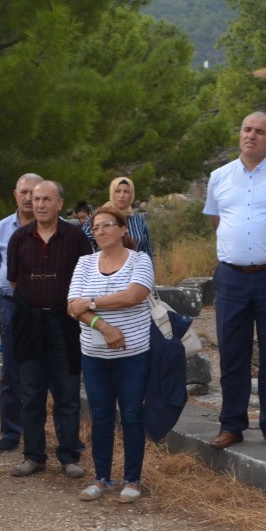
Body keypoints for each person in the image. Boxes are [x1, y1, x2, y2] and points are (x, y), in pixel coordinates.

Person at [204, 112, 266, 450]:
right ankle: (231, 424)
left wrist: (265, 245)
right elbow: (218, 221)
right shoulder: (219, 176)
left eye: (260, 132)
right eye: (246, 129)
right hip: (231, 276)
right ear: (240, 134)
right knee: (232, 351)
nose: (251, 136)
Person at [66, 205, 156, 503]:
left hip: (133, 355)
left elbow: (133, 295)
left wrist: (91, 301)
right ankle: (102, 478)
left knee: (131, 415)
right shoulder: (84, 263)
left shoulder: (139, 260)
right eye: (96, 227)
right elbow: (72, 307)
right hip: (94, 356)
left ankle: (132, 479)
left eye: (107, 225)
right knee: (101, 417)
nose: (101, 231)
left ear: (122, 230)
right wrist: (104, 327)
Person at [7, 179, 92, 478]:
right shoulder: (19, 237)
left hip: (66, 325)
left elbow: (87, 278)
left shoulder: (76, 237)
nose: (39, 204)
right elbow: (15, 280)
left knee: (67, 393)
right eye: (34, 198)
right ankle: (34, 456)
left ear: (59, 204)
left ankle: (69, 456)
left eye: (46, 199)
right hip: (30, 324)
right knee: (31, 394)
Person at [0, 173, 42, 452]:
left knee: (47, 372)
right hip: (10, 306)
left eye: (34, 192)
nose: (29, 197)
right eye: (24, 191)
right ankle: (11, 432)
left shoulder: (58, 227)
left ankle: (40, 433)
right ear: (15, 194)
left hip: (46, 308)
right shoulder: (2, 227)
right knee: (11, 374)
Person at [106, 176, 154, 262]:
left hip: (136, 271)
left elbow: (147, 250)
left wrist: (149, 272)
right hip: (107, 272)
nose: (122, 195)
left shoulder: (139, 220)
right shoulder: (99, 217)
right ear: (112, 193)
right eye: (117, 191)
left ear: (131, 195)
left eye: (126, 192)